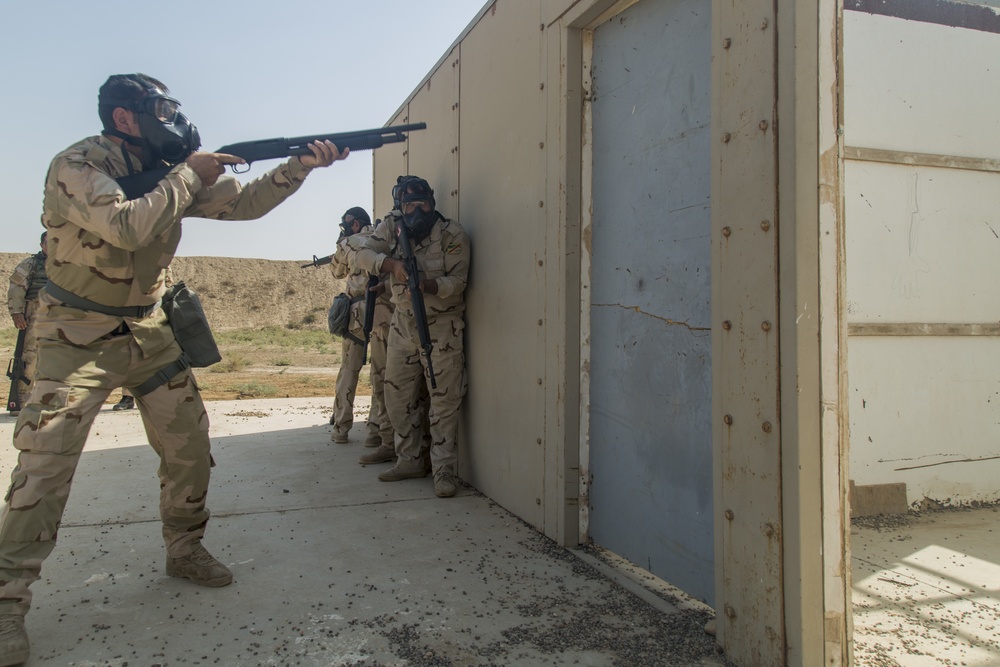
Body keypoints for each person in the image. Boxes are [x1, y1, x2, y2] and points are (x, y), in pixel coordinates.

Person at [0, 73, 347, 665]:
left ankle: (184, 549)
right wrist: (189, 174)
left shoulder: (169, 167)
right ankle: (7, 604)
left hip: (150, 330)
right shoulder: (78, 164)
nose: (174, 117)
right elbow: (127, 224)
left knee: (189, 441)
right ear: (124, 116)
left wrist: (299, 167)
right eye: (160, 108)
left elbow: (243, 205)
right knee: (45, 464)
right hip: (78, 334)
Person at [345, 176, 469, 498]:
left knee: (444, 402)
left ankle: (443, 471)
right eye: (409, 205)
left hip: (441, 326)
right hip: (403, 325)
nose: (417, 210)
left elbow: (458, 281)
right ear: (401, 206)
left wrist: (428, 286)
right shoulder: (392, 226)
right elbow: (358, 252)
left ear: (432, 202)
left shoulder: (452, 234)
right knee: (396, 398)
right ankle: (411, 459)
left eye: (423, 203)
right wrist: (389, 264)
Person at [327, 207, 375, 444]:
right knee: (382, 373)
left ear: (355, 225)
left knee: (349, 371)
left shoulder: (350, 242)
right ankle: (377, 430)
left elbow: (336, 271)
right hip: (385, 313)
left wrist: (341, 246)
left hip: (357, 315)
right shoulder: (382, 237)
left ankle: (341, 426)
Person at [6, 233, 48, 414]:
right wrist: (16, 312)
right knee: (29, 359)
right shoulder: (30, 265)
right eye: (49, 243)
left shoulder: (68, 265)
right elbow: (16, 288)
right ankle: (22, 399)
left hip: (61, 316)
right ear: (41, 244)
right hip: (35, 314)